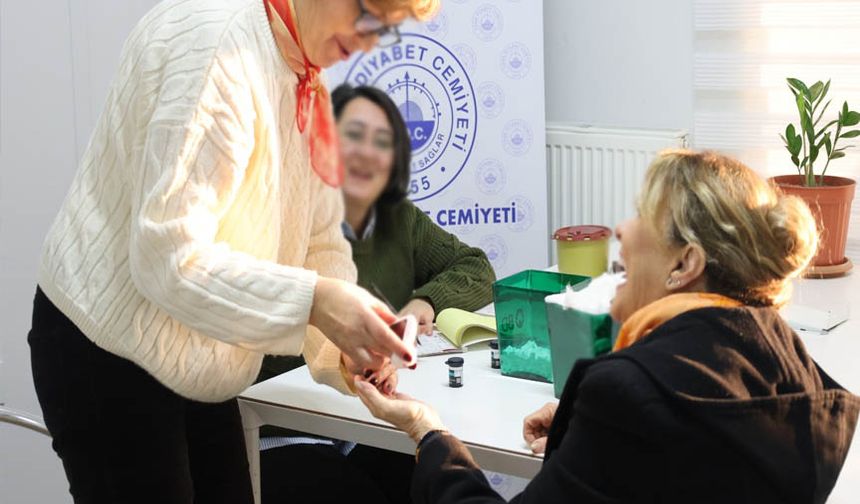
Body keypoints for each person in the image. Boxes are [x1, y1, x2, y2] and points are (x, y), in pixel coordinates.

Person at [27, 0, 437, 503]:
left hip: (199, 350)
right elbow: (168, 255)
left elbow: (320, 242)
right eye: (369, 13)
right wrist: (317, 302)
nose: (372, 40)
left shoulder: (306, 76)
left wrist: (350, 352)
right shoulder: (217, 51)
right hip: (108, 350)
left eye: (388, 30)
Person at [355, 149, 860, 504]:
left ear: (685, 264)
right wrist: (586, 428)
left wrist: (430, 431)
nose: (621, 229)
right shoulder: (800, 377)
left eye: (641, 215)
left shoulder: (628, 394)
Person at [258, 84, 496, 503]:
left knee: (438, 477)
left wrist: (426, 301)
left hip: (365, 421)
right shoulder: (282, 222)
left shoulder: (398, 218)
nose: (367, 153)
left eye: (382, 142)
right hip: (285, 429)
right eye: (353, 135)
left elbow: (476, 267)